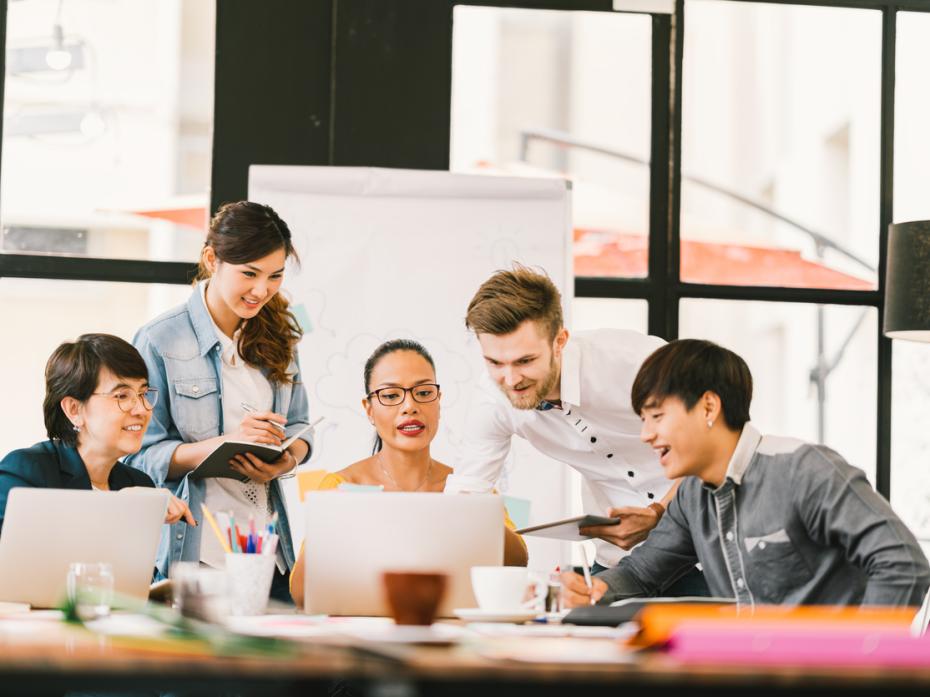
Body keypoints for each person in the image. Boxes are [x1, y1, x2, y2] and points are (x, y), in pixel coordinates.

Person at [561, 339, 930, 609]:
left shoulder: (805, 470)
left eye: (657, 417)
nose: (645, 435)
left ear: (708, 406)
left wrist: (862, 659)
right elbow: (642, 574)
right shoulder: (692, 495)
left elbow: (903, 564)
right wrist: (589, 590)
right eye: (643, 420)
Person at [450, 265, 689, 580]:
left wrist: (659, 513)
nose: (510, 379)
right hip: (621, 559)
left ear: (559, 341)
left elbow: (715, 448)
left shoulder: (635, 361)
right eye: (494, 362)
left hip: (703, 545)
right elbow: (470, 495)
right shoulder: (492, 399)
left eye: (525, 361)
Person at [127, 201, 311, 601]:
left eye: (275, 276)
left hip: (268, 552)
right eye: (249, 274)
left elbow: (300, 426)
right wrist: (220, 447)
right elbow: (136, 457)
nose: (262, 290)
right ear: (212, 259)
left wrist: (287, 458)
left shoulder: (281, 336)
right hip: (198, 555)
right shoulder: (159, 339)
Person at [290, 339, 528, 608]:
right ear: (369, 409)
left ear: (439, 401)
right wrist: (332, 520)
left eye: (424, 393)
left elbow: (518, 562)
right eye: (391, 396)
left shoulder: (467, 487)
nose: (409, 406)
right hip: (366, 638)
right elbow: (301, 594)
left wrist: (474, 510)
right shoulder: (342, 485)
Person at [0, 334, 195, 533]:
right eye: (121, 395)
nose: (142, 410)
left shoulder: (138, 484)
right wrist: (115, 507)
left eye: (143, 394)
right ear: (74, 410)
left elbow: (138, 564)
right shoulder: (26, 472)